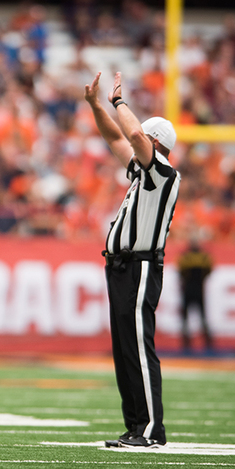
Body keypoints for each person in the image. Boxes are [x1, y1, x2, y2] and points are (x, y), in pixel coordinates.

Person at [84, 72, 181, 449]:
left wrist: (118, 102)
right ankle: (135, 426)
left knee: (139, 348)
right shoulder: (144, 172)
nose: (134, 139)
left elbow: (134, 136)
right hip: (123, 267)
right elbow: (114, 137)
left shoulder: (163, 173)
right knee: (125, 349)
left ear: (156, 143)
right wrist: (95, 106)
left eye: (143, 137)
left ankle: (151, 430)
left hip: (141, 266)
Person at [177, 239, 214, 352]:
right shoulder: (204, 257)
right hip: (198, 290)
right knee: (202, 318)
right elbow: (208, 271)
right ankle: (208, 345)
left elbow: (181, 272)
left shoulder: (185, 257)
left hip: (188, 289)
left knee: (185, 319)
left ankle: (186, 345)